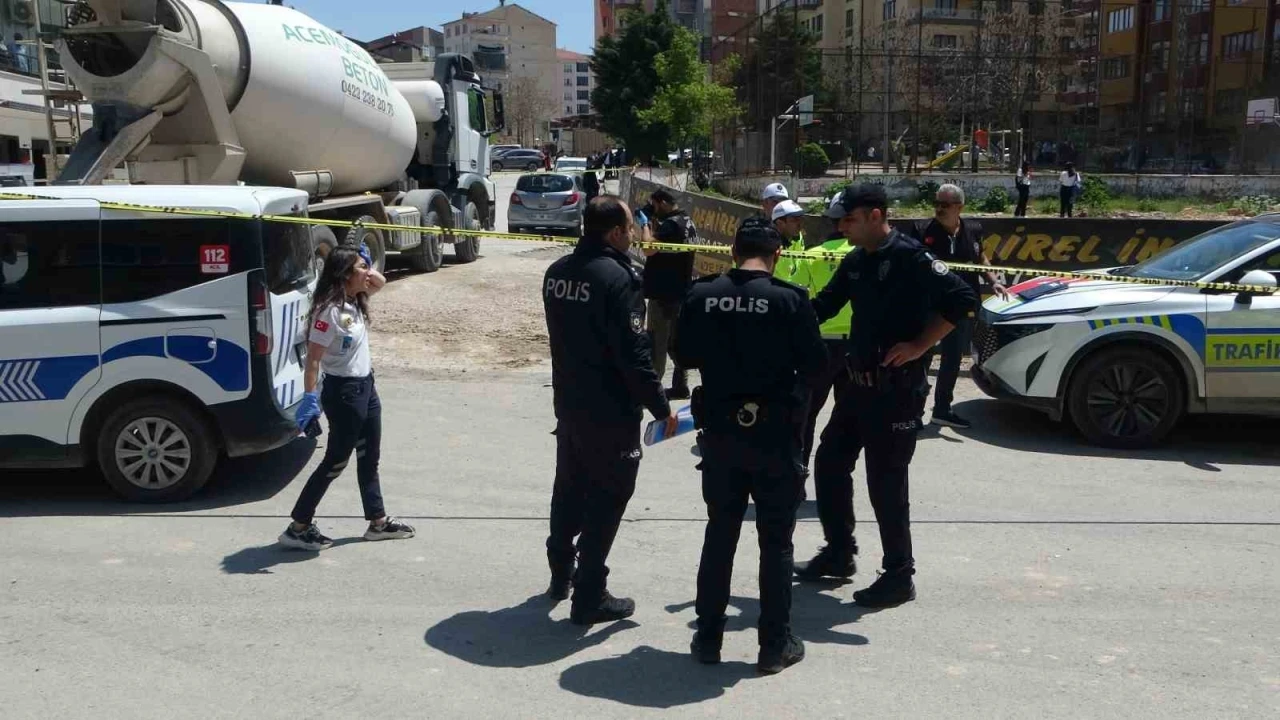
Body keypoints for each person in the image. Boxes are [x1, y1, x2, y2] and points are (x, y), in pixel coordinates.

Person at [798, 185, 975, 607]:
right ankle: (840, 552)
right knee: (830, 462)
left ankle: (899, 574)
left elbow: (962, 300)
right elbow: (823, 307)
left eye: (849, 219)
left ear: (875, 215)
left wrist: (919, 346)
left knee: (886, 482)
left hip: (896, 390)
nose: (842, 227)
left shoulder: (911, 257)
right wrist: (776, 311)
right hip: (857, 386)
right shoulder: (856, 261)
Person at [673, 218, 826, 674]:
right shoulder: (790, 299)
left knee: (720, 534)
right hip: (775, 435)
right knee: (776, 543)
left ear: (733, 251)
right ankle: (774, 646)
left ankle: (708, 638)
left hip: (721, 432)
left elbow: (682, 354)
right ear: (776, 255)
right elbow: (816, 366)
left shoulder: (702, 294)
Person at [542, 195, 677, 624]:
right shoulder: (620, 279)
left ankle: (560, 571)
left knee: (569, 487)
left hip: (570, 403)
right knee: (609, 496)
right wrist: (661, 408)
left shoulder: (557, 272)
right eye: (630, 227)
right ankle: (589, 594)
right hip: (611, 411)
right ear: (616, 232)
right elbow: (635, 356)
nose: (634, 233)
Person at [282, 244, 415, 550]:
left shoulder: (355, 299)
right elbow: (313, 360)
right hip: (344, 394)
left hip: (366, 388)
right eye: (361, 268)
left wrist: (363, 262)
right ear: (343, 275)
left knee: (369, 458)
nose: (368, 273)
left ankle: (378, 522)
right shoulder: (328, 311)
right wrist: (310, 398)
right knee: (336, 461)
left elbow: (380, 281)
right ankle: (298, 526)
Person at [908, 184, 1009, 429]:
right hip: (930, 305)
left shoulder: (973, 229)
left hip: (961, 305)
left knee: (953, 358)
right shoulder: (921, 230)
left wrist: (994, 281)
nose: (939, 209)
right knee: (922, 355)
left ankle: (942, 409)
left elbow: (980, 257)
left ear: (959, 207)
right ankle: (914, 412)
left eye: (945, 205)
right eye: (936, 204)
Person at [640, 189, 697, 399]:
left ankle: (651, 393)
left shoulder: (671, 225)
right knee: (676, 344)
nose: (653, 209)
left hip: (664, 294)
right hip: (681, 291)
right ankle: (680, 386)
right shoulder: (687, 221)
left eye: (654, 205)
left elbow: (648, 248)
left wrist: (645, 224)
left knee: (657, 344)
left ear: (663, 203)